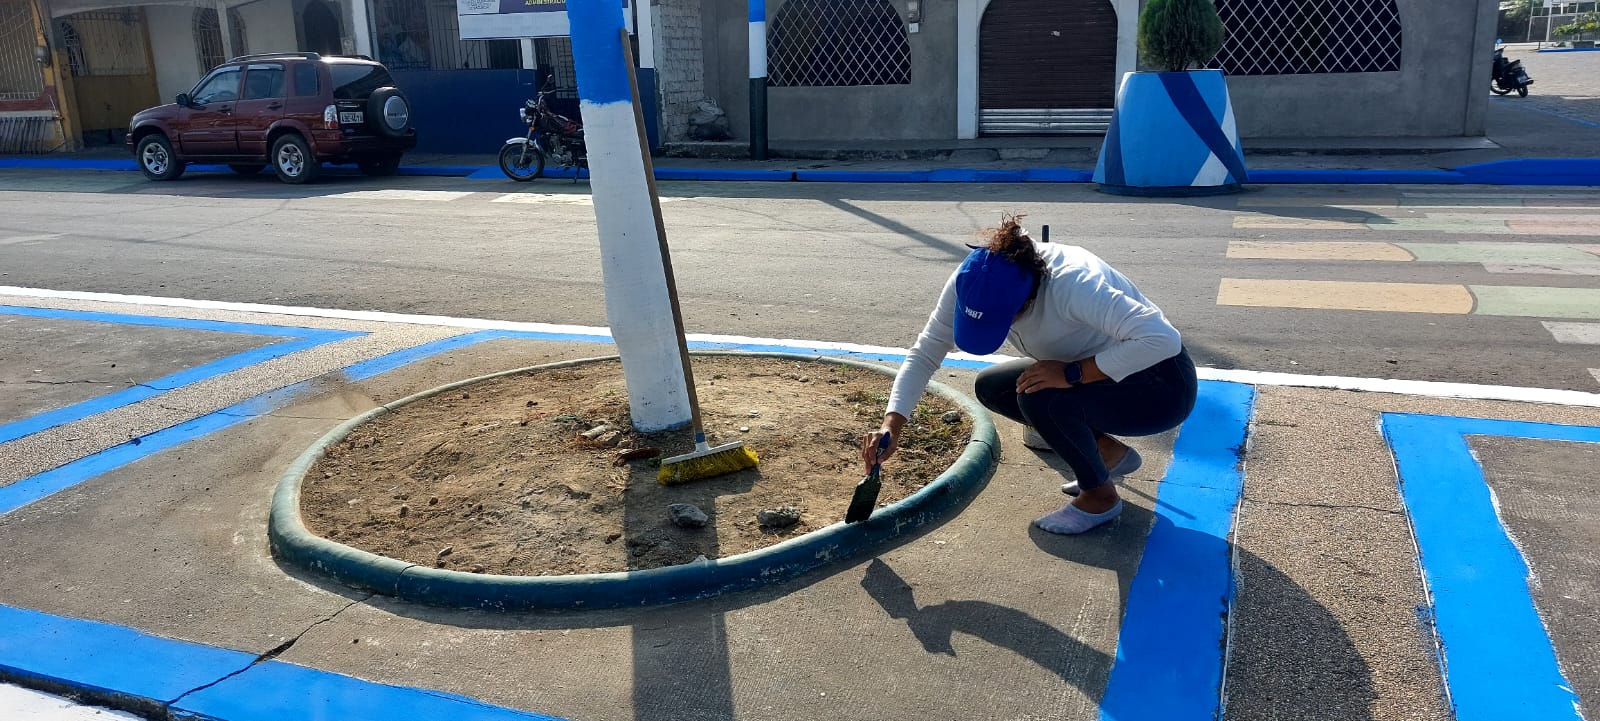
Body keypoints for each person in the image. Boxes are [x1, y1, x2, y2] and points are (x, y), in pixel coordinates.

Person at [861, 214, 1198, 534]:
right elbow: (925, 353)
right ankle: (1107, 454)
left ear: (1028, 299)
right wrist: (892, 424)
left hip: (1158, 385)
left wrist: (1074, 373)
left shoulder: (1074, 284)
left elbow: (1162, 340)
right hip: (1097, 375)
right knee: (994, 386)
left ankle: (1100, 498)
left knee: (1040, 398)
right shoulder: (975, 279)